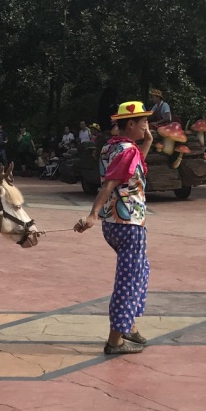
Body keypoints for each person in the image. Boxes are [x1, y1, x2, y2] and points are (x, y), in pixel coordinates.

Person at [74, 99, 153, 357]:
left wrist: (148, 141)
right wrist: (91, 214)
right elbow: (109, 184)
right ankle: (115, 340)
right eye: (143, 122)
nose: (146, 126)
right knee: (128, 281)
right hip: (128, 222)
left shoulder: (112, 147)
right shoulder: (127, 150)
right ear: (130, 123)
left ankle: (128, 325)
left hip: (116, 223)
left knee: (140, 269)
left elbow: (131, 169)